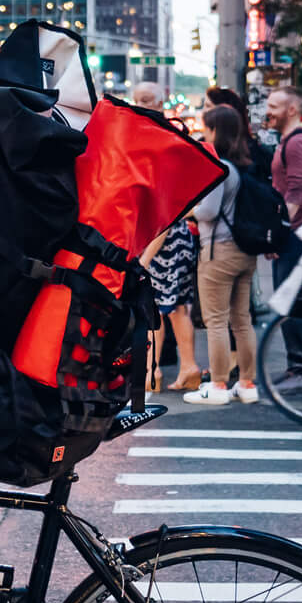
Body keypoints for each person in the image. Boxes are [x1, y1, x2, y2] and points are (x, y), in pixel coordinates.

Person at [130, 83, 204, 393]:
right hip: (171, 235)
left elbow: (163, 200)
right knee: (174, 308)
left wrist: (144, 257)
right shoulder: (170, 134)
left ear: (162, 100)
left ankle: (154, 372)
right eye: (139, 98)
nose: (142, 102)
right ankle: (181, 367)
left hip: (163, 235)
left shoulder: (157, 136)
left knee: (159, 308)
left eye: (147, 98)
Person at [185, 104, 260, 405]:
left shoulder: (220, 168)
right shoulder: (244, 164)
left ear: (215, 131)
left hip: (218, 252)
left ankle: (217, 386)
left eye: (206, 128)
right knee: (242, 320)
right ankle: (247, 383)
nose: (204, 133)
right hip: (244, 251)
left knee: (216, 320)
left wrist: (189, 209)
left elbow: (208, 211)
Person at [264, 85, 302, 370]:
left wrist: (278, 234)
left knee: (289, 299)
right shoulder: (290, 140)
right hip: (299, 229)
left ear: (292, 110)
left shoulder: (297, 143)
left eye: (274, 106)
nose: (268, 112)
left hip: (298, 230)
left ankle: (299, 365)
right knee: (290, 299)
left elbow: (296, 193)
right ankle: (298, 363)